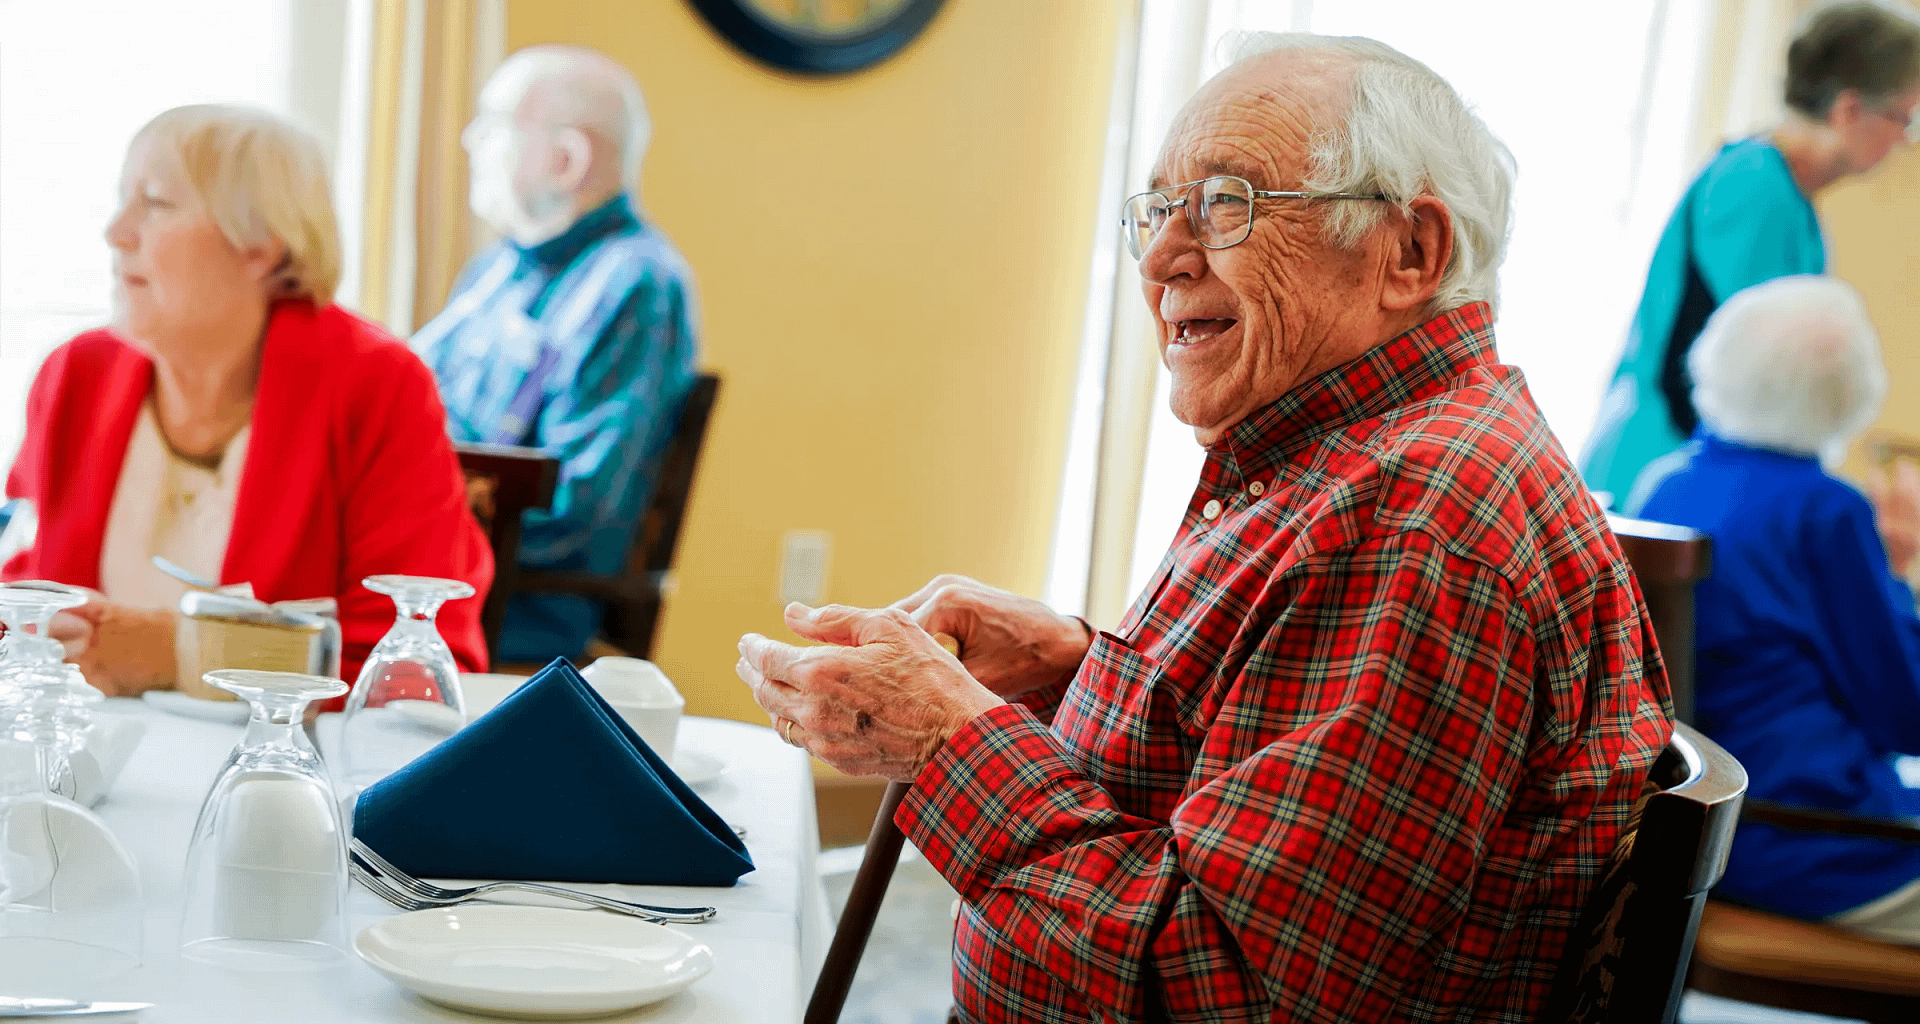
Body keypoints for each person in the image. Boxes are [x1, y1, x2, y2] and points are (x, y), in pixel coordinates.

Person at [736, 33, 1671, 1023]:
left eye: (1226, 204)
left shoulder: (1412, 521)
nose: (1158, 258)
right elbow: (1263, 759)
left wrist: (947, 742)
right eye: (1156, 210)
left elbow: (1226, 990)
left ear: (1410, 253)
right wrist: (1078, 669)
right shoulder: (1358, 457)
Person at [3, 104, 492, 695]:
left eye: (155, 203)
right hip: (83, 762)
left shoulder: (378, 385)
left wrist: (187, 653)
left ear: (262, 246)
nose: (116, 232)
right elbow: (25, 595)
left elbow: (421, 658)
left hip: (280, 773)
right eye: (122, 200)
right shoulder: (75, 373)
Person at [1630, 275, 1920, 945]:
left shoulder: (1666, 483)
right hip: (1814, 843)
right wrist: (1899, 573)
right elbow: (1906, 714)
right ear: (1852, 393)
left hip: (1698, 832)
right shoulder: (1826, 511)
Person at [412, 45, 698, 664]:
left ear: (566, 161)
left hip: (512, 603)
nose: (468, 140)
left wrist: (410, 534)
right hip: (442, 566)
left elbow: (580, 514)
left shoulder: (635, 284)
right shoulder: (498, 269)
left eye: (493, 123)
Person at [1582, 0, 1920, 502]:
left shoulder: (1794, 203)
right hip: (1659, 466)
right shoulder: (1754, 185)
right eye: (1903, 119)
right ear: (1850, 110)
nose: (1905, 142)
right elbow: (1773, 381)